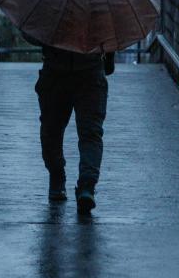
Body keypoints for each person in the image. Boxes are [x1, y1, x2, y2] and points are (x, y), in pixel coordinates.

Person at [25, 33, 114, 214]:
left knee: (52, 130)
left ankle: (58, 180)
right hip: (90, 73)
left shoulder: (51, 13)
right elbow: (109, 33)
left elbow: (33, 34)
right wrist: (109, 58)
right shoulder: (98, 14)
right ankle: (86, 187)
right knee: (90, 134)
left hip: (56, 71)